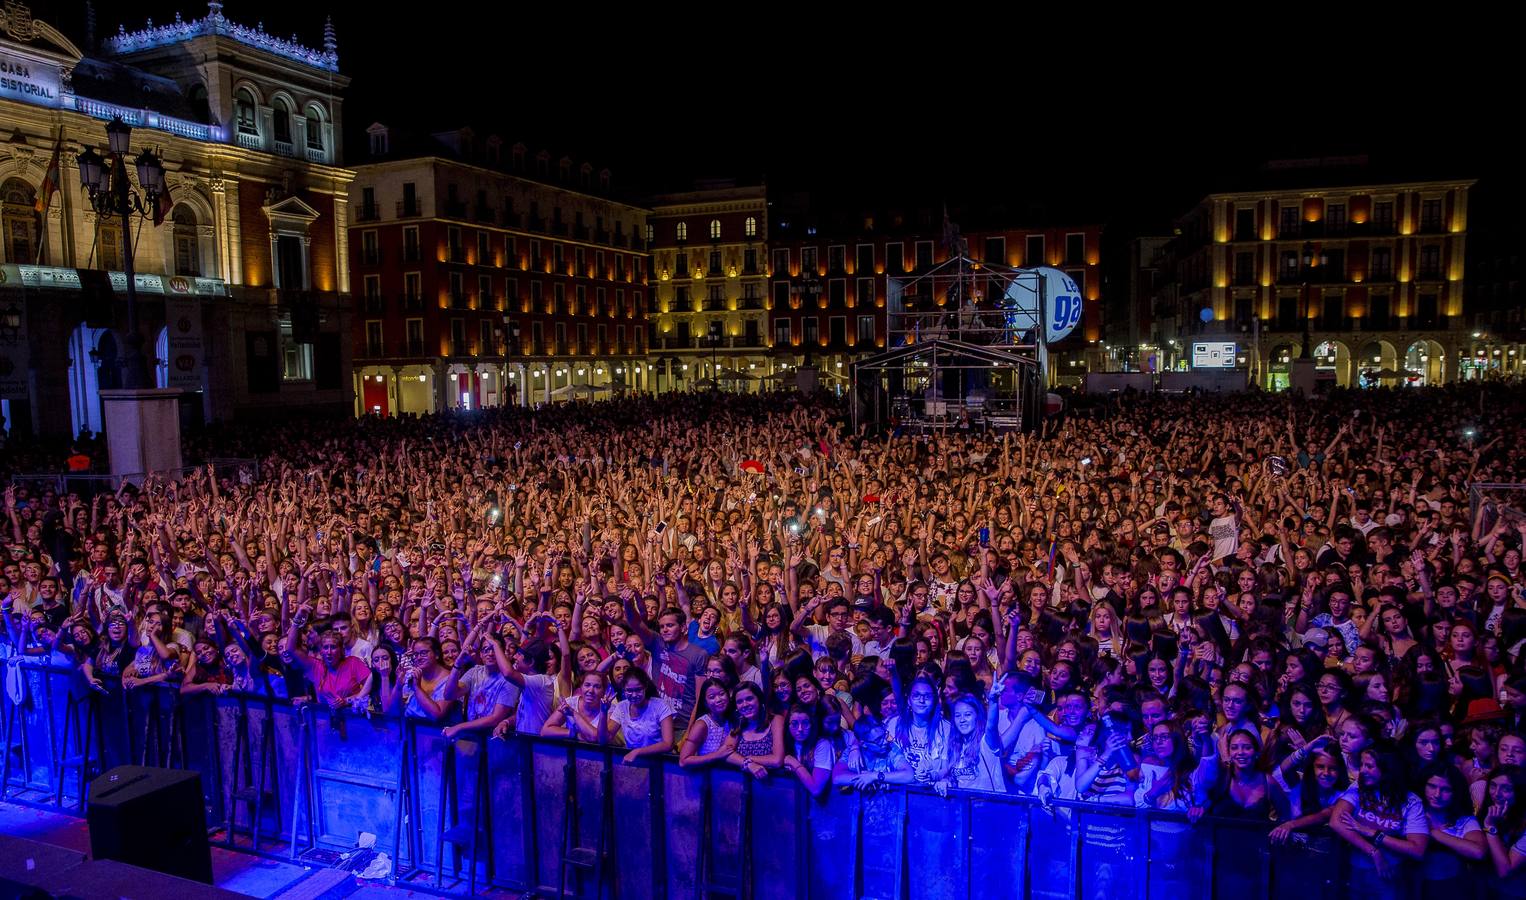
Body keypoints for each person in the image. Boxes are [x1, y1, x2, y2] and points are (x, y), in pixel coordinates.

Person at [1330, 743, 1431, 898]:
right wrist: (1373, 852)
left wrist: (1373, 833)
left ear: (1387, 769)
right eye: (1362, 764)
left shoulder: (1411, 801)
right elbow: (1336, 822)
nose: (1362, 770)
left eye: (1369, 766)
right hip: (1354, 870)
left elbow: (1417, 850)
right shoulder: (1359, 787)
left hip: (1389, 874)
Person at [609, 668, 674, 763]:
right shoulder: (621, 707)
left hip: (659, 762)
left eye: (638, 690)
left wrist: (638, 752)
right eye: (629, 691)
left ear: (645, 687)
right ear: (624, 689)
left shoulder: (660, 706)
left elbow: (668, 744)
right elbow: (605, 738)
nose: (634, 695)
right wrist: (603, 711)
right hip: (634, 762)